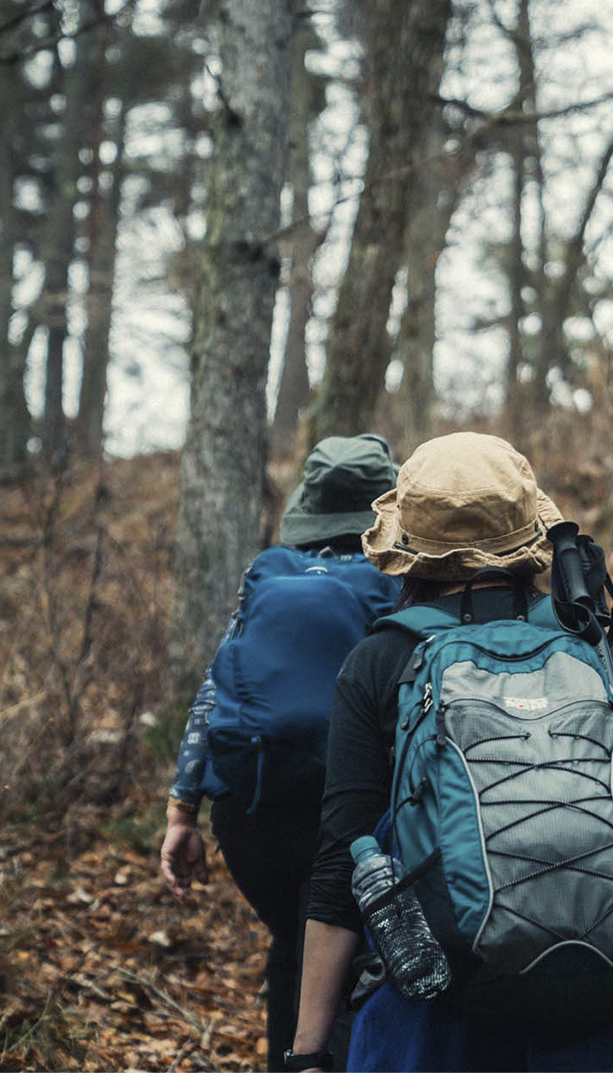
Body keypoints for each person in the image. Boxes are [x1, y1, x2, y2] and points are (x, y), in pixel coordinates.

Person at [288, 433, 613, 1073]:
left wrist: (307, 1050)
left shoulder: (377, 663)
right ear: (531, 536)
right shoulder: (594, 648)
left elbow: (340, 866)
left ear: (408, 546)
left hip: (449, 1015)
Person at [160, 434, 400, 1072]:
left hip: (250, 809)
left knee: (295, 945)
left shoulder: (269, 572)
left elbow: (215, 686)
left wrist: (182, 811)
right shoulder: (399, 581)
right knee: (347, 964)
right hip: (351, 816)